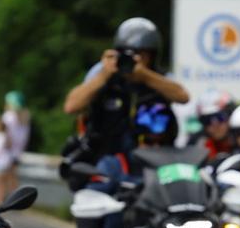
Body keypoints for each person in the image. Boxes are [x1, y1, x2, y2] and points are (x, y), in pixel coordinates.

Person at [63, 17, 189, 160]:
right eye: (127, 53)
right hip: (105, 156)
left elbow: (183, 97)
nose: (133, 59)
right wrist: (103, 77)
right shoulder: (103, 71)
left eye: (141, 54)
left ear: (152, 55)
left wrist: (145, 76)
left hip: (151, 158)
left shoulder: (157, 77)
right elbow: (71, 107)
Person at [190, 88, 235, 159]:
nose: (215, 125)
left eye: (220, 117)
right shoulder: (196, 143)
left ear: (230, 116)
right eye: (208, 120)